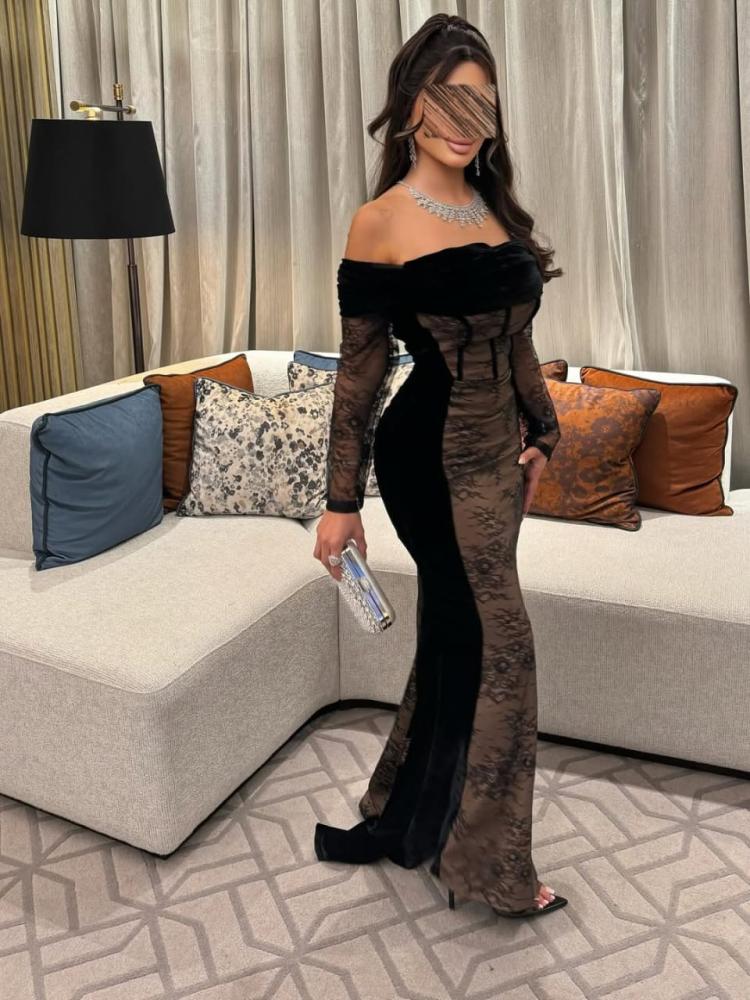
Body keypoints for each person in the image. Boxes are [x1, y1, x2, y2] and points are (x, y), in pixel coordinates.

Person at [312, 13, 566, 920]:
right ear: (410, 103)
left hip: (499, 456)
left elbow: (517, 339)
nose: (468, 121)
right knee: (505, 648)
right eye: (449, 99)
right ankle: (488, 865)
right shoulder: (379, 222)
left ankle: (413, 812)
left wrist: (544, 433)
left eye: (483, 103)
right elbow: (359, 375)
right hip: (429, 458)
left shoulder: (494, 206)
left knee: (458, 636)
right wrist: (341, 502)